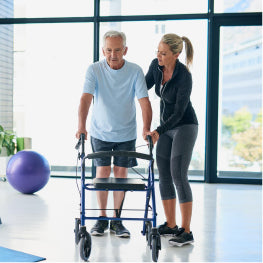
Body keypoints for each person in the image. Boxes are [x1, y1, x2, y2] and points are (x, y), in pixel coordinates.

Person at [76, 30, 152, 238]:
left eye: (117, 50)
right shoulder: (94, 69)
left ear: (125, 50)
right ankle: (101, 219)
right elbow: (85, 99)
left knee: (120, 175)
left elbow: (144, 102)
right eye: (109, 50)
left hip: (126, 132)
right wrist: (81, 126)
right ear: (103, 50)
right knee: (102, 174)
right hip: (100, 131)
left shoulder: (135, 71)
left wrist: (146, 128)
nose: (113, 54)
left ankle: (117, 220)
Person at [145, 33, 198, 246]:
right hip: (165, 128)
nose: (159, 55)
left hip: (184, 125)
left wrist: (158, 129)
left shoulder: (184, 76)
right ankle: (171, 224)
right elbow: (142, 86)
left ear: (176, 54)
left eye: (164, 53)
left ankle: (186, 230)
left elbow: (179, 112)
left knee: (178, 174)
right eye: (157, 51)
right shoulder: (156, 67)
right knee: (164, 174)